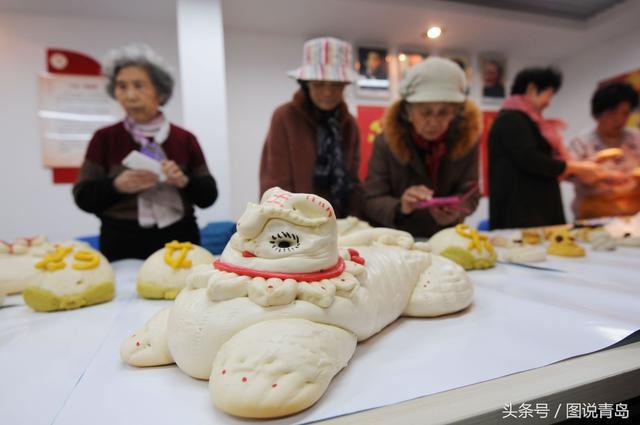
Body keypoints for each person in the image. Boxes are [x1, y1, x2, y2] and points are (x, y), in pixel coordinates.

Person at [73, 44, 217, 261]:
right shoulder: (104, 138)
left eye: (139, 86)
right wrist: (116, 185)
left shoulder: (184, 139)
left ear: (160, 92)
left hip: (180, 240)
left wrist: (184, 181)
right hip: (121, 243)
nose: (130, 95)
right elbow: (83, 196)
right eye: (122, 86)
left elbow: (208, 196)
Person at [363, 57, 481, 238]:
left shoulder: (466, 141)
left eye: (443, 112)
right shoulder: (385, 143)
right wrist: (401, 207)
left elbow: (471, 193)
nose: (434, 122)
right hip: (395, 240)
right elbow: (371, 199)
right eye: (425, 112)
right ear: (408, 112)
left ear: (455, 113)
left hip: (445, 238)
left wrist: (457, 211)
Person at [488, 67, 603, 229]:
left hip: (535, 209)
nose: (549, 102)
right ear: (532, 89)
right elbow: (531, 159)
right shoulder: (511, 119)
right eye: (549, 95)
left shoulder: (526, 121)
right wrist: (574, 166)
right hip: (522, 213)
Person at [259, 37, 361, 218]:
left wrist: (354, 220)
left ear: (344, 85)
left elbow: (352, 182)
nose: (328, 92)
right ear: (306, 84)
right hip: (292, 223)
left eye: (336, 85)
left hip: (339, 223)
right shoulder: (284, 117)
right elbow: (276, 182)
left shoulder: (349, 125)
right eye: (319, 84)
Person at [569, 81, 640, 219]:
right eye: (612, 113)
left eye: (625, 113)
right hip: (594, 217)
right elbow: (569, 174)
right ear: (598, 114)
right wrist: (588, 173)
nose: (619, 120)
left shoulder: (637, 138)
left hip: (635, 217)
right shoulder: (581, 143)